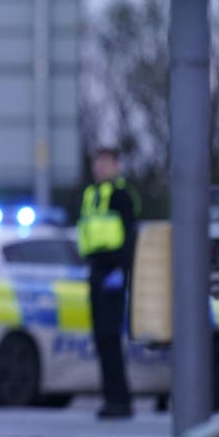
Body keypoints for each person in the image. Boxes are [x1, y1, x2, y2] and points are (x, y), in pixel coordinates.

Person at [77, 147, 140, 419]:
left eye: (106, 163)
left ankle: (120, 400)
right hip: (96, 269)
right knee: (101, 338)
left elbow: (130, 236)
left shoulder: (122, 196)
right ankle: (110, 398)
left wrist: (122, 269)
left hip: (114, 271)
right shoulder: (90, 195)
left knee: (111, 337)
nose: (100, 168)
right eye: (97, 162)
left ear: (117, 165)